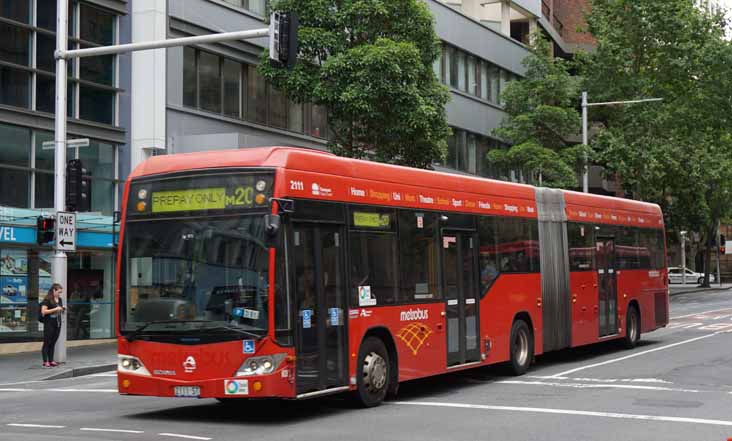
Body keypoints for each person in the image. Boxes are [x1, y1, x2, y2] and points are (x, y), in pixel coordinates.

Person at [40, 283, 65, 368]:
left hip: (57, 323)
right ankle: (45, 361)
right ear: (54, 290)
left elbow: (59, 310)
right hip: (49, 323)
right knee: (47, 342)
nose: (59, 294)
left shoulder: (60, 299)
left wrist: (62, 309)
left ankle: (51, 360)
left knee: (53, 342)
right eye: (58, 292)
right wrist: (55, 309)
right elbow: (43, 311)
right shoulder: (47, 300)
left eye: (60, 292)